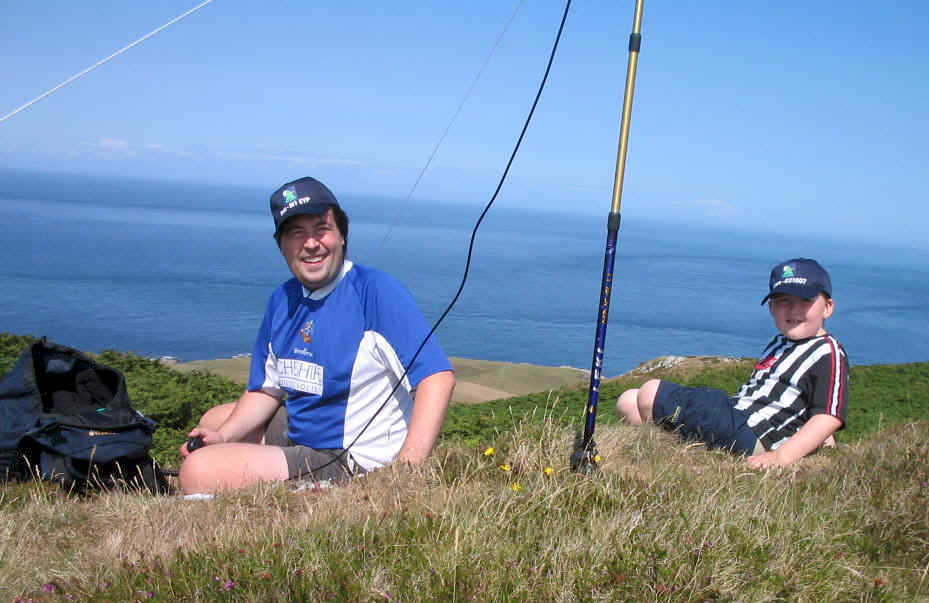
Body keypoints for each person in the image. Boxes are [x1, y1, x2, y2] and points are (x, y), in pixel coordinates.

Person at [178, 176, 455, 493]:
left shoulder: (375, 292)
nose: (311, 243)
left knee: (198, 470)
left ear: (341, 237)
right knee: (215, 421)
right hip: (303, 433)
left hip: (349, 459)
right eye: (297, 233)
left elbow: (437, 378)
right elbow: (265, 390)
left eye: (321, 229)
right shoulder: (282, 299)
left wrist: (405, 474)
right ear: (282, 245)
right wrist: (225, 437)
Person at [616, 258, 849, 470]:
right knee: (628, 401)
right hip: (739, 418)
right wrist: (825, 443)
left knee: (650, 391)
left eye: (805, 300)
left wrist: (781, 457)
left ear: (828, 307)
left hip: (756, 433)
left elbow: (828, 416)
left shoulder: (828, 351)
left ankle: (665, 455)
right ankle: (671, 450)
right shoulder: (780, 343)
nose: (793, 309)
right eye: (783, 301)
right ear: (771, 308)